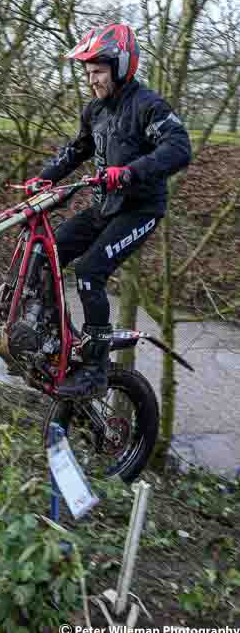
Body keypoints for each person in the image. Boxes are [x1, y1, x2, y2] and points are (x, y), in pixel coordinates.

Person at [29, 23, 192, 398]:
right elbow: (77, 150)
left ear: (121, 66)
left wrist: (131, 172)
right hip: (104, 207)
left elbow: (180, 148)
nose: (92, 81)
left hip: (140, 211)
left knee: (89, 272)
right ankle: (53, 337)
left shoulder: (148, 107)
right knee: (45, 251)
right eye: (88, 74)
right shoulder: (95, 111)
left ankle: (96, 369)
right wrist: (44, 178)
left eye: (98, 72)